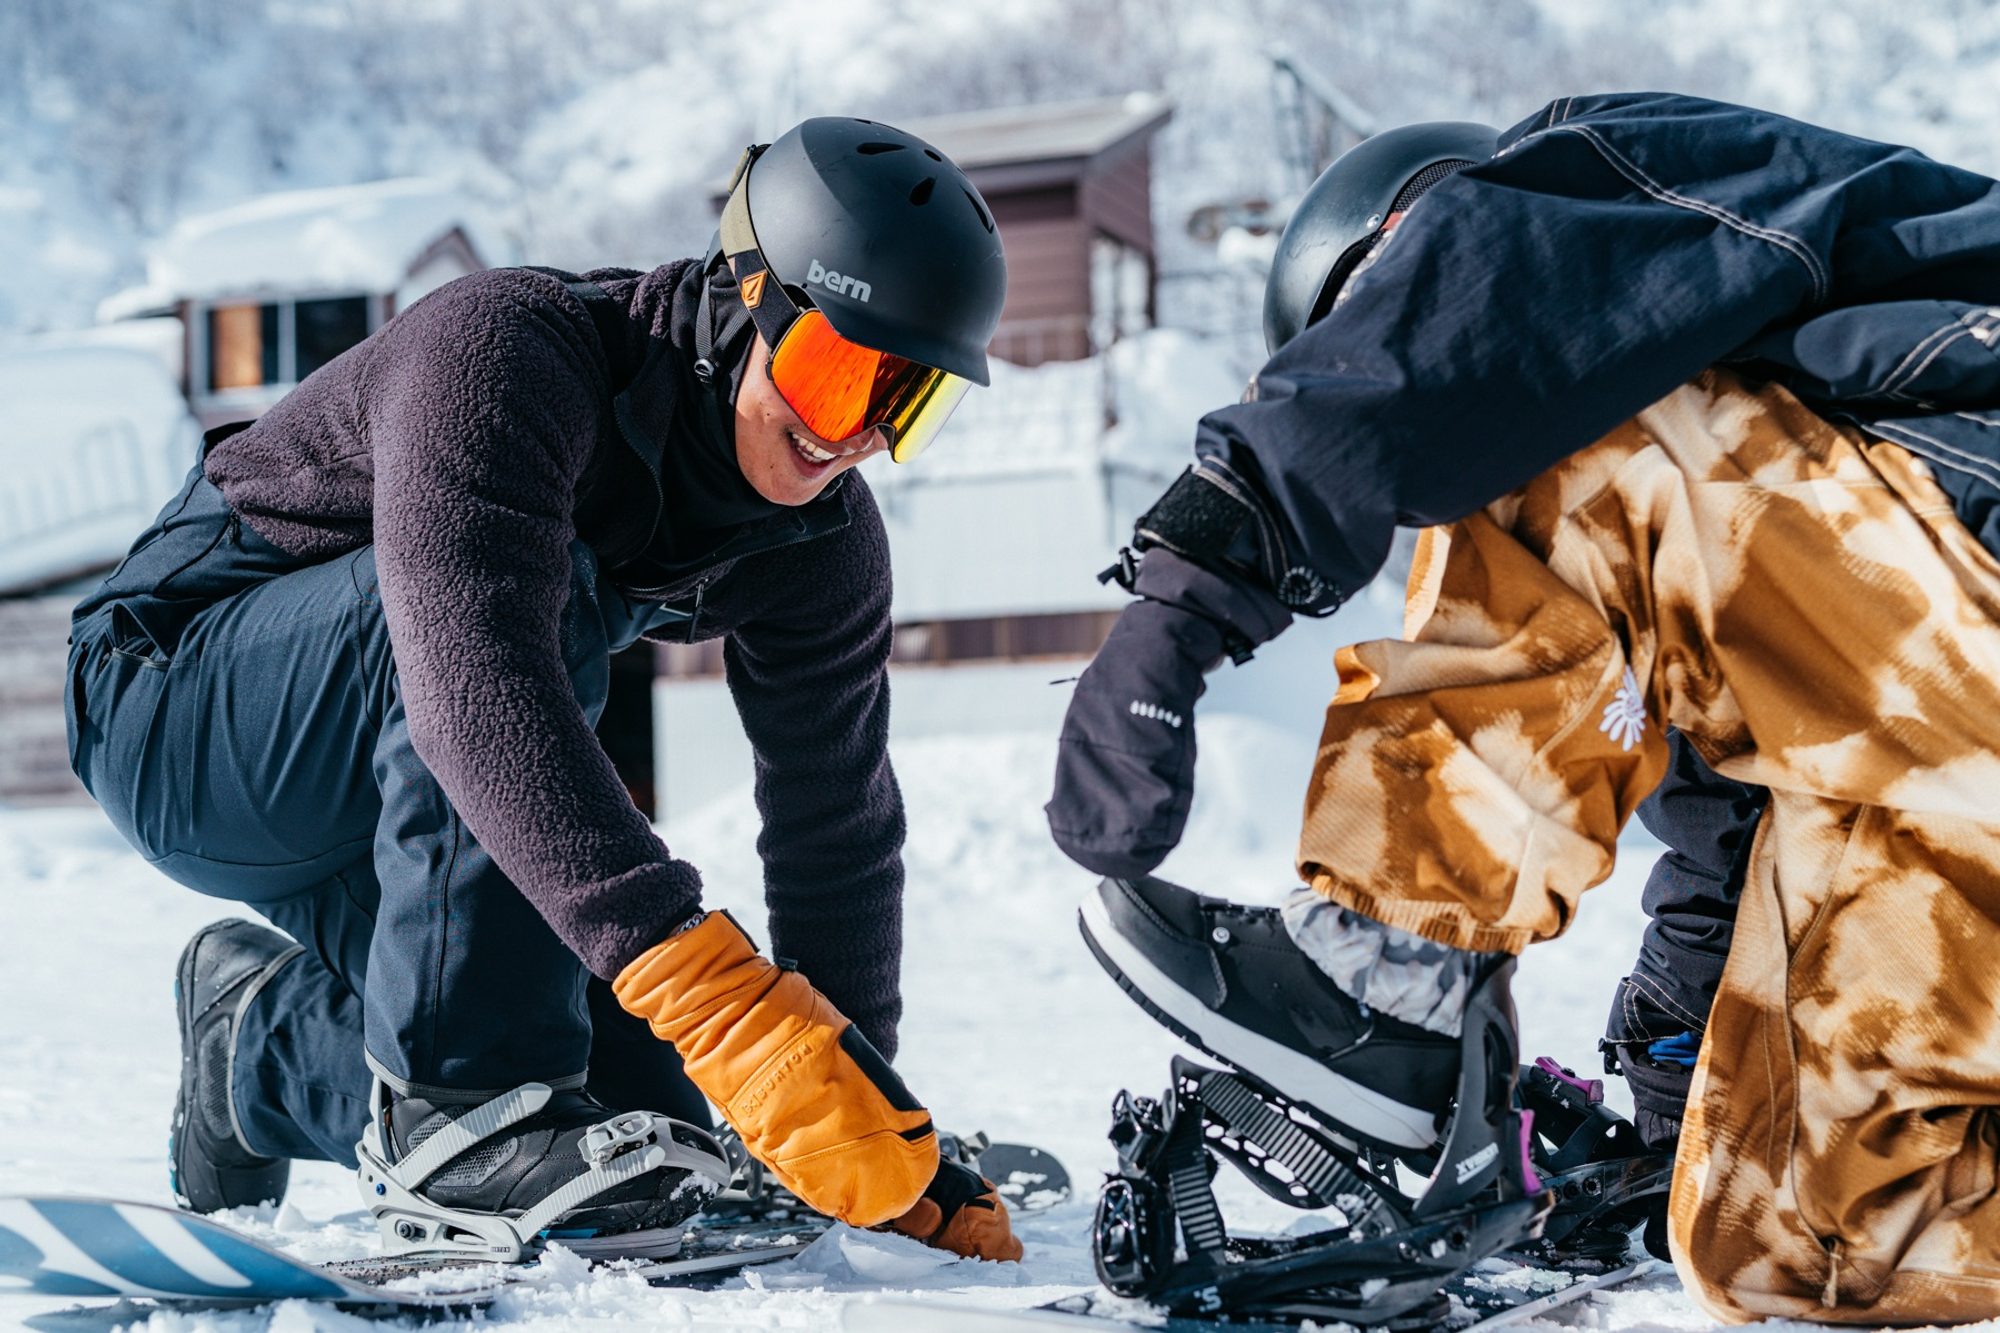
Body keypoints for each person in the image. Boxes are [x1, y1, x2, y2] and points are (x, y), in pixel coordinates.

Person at [1049, 92, 2000, 1322]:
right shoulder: (1772, 564)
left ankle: (1387, 974)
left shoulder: (1612, 174)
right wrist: (1674, 1071)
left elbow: (1484, 308)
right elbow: (1736, 823)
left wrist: (1183, 599)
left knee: (1542, 430)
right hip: (1955, 737)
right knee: (1791, 1229)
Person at [68, 116, 1022, 1264]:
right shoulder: (508, 353)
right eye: (838, 375)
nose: (855, 434)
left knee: (640, 1127)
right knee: (526, 623)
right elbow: (476, 669)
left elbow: (836, 822)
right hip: (172, 705)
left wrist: (852, 1107)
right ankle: (457, 1117)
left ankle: (255, 1053)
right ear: (742, 300)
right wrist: (703, 985)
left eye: (905, 399)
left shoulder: (822, 548)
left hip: (409, 767)